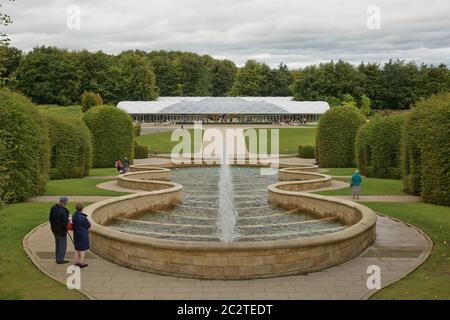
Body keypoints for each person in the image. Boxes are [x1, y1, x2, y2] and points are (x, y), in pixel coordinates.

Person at [49, 196, 70, 264]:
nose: (67, 202)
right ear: (64, 202)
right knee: (62, 245)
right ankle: (60, 259)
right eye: (66, 201)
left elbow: (50, 218)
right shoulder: (63, 211)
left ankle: (58, 258)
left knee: (58, 244)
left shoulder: (53, 208)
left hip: (54, 229)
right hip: (61, 231)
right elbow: (65, 222)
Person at [72, 203, 91, 268]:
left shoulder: (74, 215)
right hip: (82, 234)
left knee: (77, 248)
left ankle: (76, 262)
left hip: (76, 234)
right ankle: (81, 263)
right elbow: (88, 225)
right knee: (83, 249)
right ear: (82, 209)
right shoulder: (83, 218)